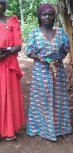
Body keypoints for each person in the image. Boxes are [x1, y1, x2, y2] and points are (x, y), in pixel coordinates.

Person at [25, 3, 72, 141]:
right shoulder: (34, 32)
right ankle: (41, 128)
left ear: (54, 17)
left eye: (50, 15)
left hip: (58, 70)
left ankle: (59, 128)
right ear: (40, 17)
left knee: (59, 98)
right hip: (41, 71)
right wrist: (40, 58)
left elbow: (66, 49)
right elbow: (28, 51)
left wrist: (59, 58)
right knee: (41, 99)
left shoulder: (61, 32)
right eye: (44, 15)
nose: (47, 17)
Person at [0, 0, 25, 140]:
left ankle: (9, 129)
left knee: (9, 95)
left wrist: (7, 51)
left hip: (8, 63)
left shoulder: (12, 21)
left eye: (2, 2)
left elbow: (18, 45)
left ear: (6, 5)